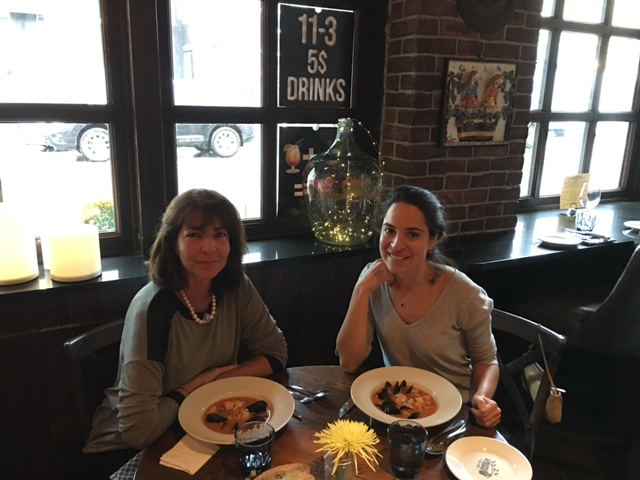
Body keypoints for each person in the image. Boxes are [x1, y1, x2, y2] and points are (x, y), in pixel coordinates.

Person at [83, 189, 288, 479]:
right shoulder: (152, 309)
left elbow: (276, 353)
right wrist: (195, 386)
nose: (209, 248)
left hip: (195, 431)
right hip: (126, 450)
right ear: (172, 243)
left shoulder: (236, 287)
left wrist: (215, 384)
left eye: (220, 235)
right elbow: (138, 431)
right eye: (194, 235)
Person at [336, 185, 501, 428]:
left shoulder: (465, 293)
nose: (396, 245)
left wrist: (483, 398)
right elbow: (349, 362)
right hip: (394, 407)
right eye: (389, 230)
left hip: (454, 413)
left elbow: (486, 360)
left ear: (433, 240)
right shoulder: (371, 280)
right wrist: (361, 290)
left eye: (412, 234)